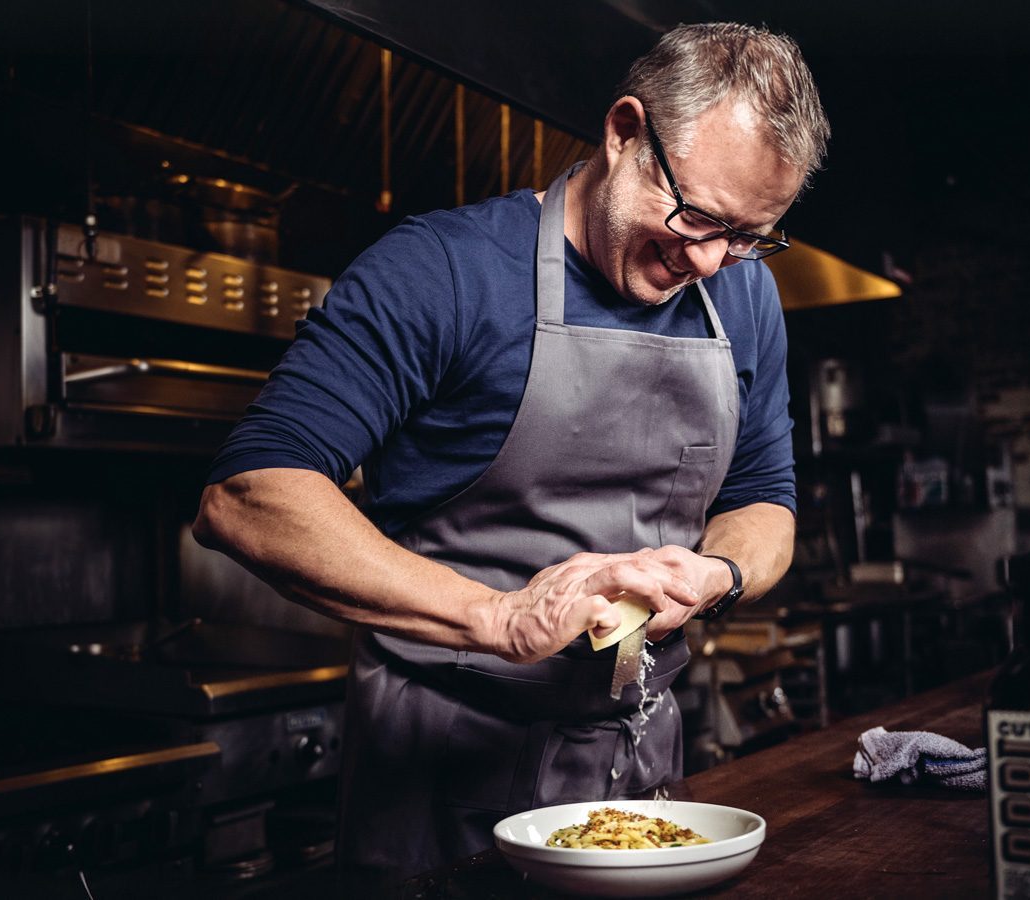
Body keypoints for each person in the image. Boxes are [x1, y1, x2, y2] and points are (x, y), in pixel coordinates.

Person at [193, 21, 830, 886]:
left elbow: (766, 501)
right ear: (624, 133)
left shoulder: (743, 296)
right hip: (439, 798)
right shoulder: (443, 272)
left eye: (750, 235)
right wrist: (496, 619)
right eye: (698, 217)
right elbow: (249, 492)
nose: (712, 260)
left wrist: (714, 576)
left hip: (642, 793)